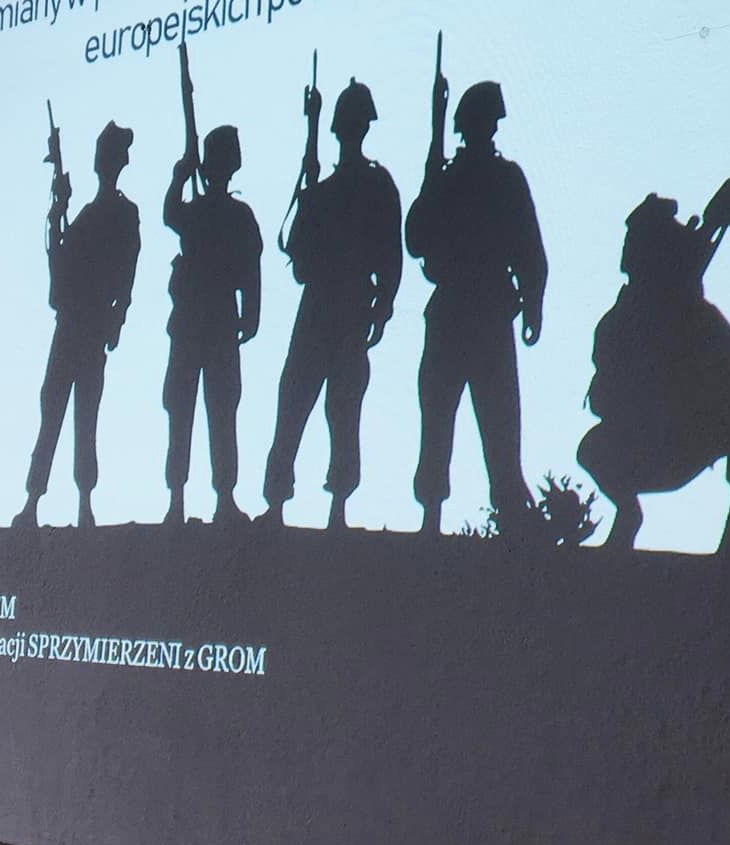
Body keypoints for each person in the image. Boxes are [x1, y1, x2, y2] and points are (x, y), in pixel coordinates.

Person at [576, 186, 730, 557]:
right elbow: (602, 398)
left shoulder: (702, 322)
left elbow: (727, 375)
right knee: (592, 449)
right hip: (643, 447)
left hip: (693, 438)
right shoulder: (617, 325)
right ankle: (628, 515)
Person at [405, 81, 546, 536]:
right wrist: (431, 170)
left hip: (480, 313)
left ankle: (506, 516)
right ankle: (434, 516)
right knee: (441, 420)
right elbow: (416, 239)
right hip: (464, 312)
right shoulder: (459, 177)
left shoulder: (492, 178)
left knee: (498, 425)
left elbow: (529, 249)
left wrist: (534, 305)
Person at [262, 80, 402, 529]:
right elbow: (301, 260)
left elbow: (390, 255)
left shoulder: (366, 186)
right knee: (300, 403)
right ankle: (291, 503)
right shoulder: (336, 188)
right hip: (330, 307)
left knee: (336, 409)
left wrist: (383, 307)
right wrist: (307, 186)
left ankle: (323, 505)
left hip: (341, 307)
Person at [22, 121, 140, 527]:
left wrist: (117, 319)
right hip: (73, 323)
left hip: (89, 326)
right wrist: (58, 214)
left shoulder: (122, 214)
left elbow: (127, 273)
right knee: (53, 409)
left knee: (84, 416)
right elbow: (61, 271)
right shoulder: (89, 216)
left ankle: (83, 502)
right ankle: (34, 499)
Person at [163, 125, 262, 523]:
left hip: (214, 323)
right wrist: (180, 174)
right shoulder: (210, 212)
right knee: (186, 410)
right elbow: (171, 214)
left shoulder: (230, 214)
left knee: (218, 410)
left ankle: (219, 498)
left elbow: (251, 269)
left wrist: (250, 315)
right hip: (197, 323)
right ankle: (181, 499)